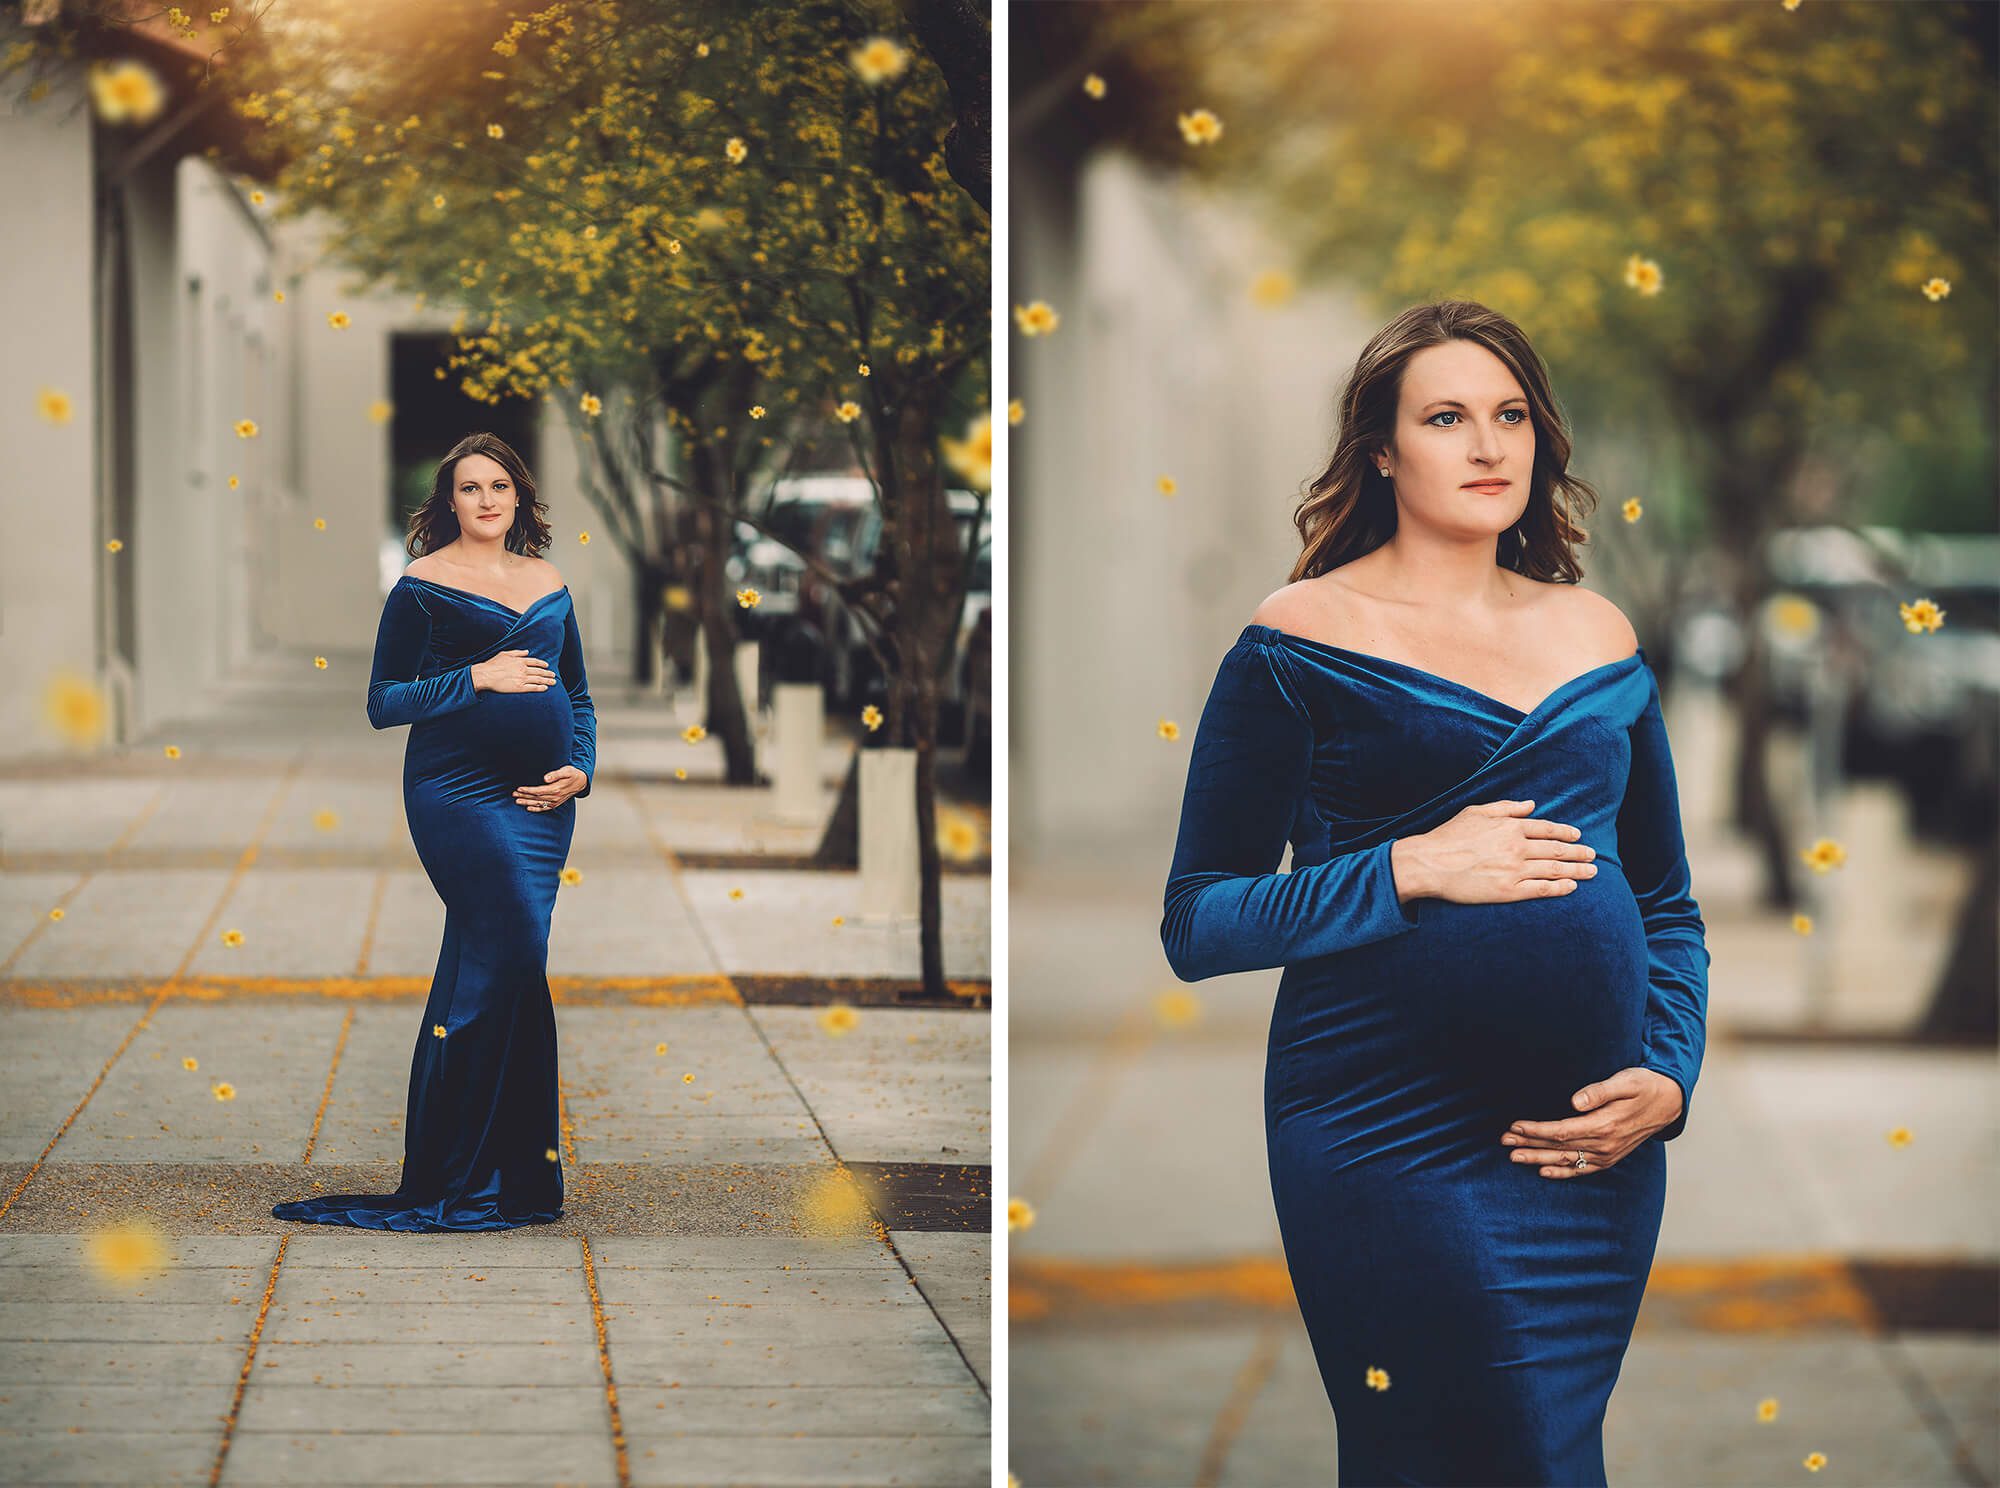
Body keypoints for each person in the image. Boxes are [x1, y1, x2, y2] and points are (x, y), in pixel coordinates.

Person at [1160, 300, 1709, 1486]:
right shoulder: (1298, 638)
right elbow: (1196, 918)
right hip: (1380, 1135)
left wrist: (1668, 1076)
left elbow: (1665, 903)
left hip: (1589, 1162)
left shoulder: (1597, 636)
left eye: (1509, 416)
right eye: (1446, 416)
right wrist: (1407, 867)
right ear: (1380, 450)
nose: (1485, 446)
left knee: (1549, 1458)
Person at [272, 431, 596, 1231]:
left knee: (495, 970)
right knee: (512, 949)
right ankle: (466, 1175)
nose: (485, 500)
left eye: (498, 486)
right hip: (455, 796)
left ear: (519, 496)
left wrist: (582, 768)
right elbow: (384, 701)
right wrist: (478, 677)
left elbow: (579, 698)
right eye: (468, 488)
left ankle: (506, 1174)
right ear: (447, 502)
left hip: (542, 807)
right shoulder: (421, 586)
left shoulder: (549, 580)